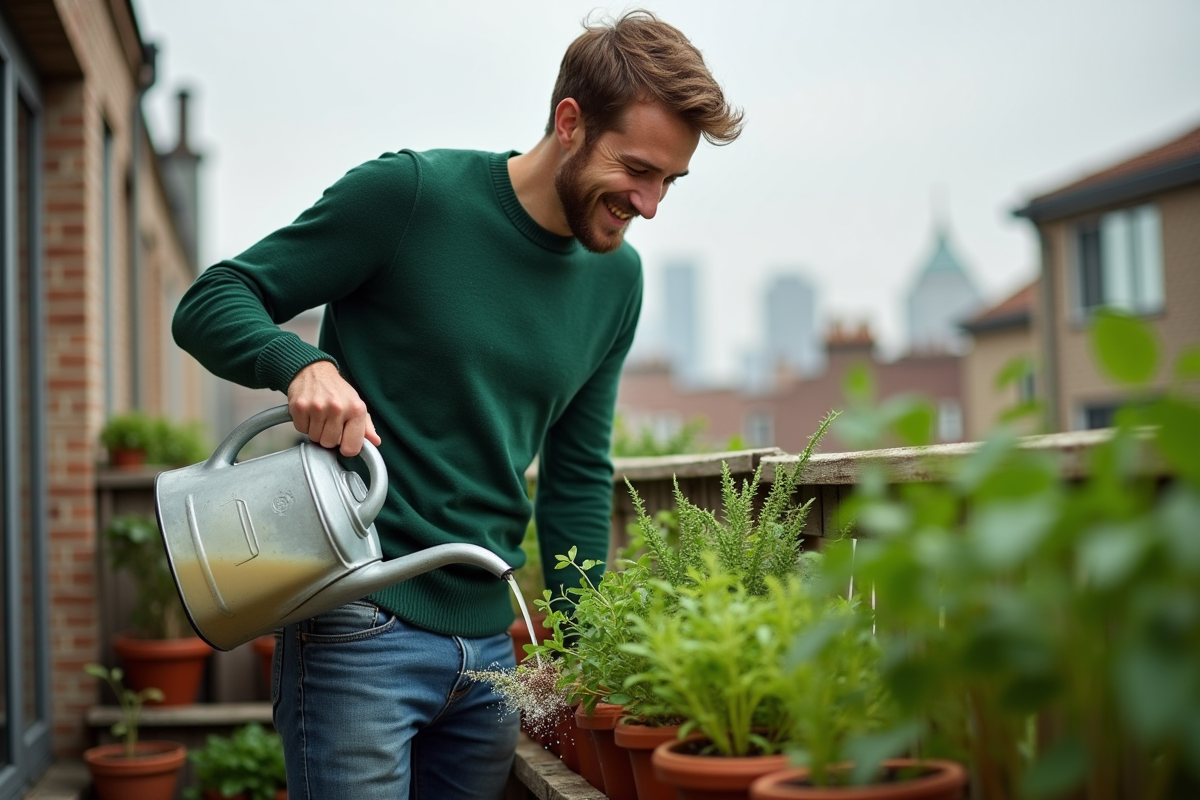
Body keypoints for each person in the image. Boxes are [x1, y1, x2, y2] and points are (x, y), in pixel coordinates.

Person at [173, 9, 742, 799]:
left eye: (669, 182)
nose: (650, 204)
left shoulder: (619, 282)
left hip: (491, 658)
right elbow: (211, 299)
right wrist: (300, 363)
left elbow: (576, 475)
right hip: (357, 626)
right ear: (570, 123)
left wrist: (582, 653)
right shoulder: (410, 196)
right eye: (638, 170)